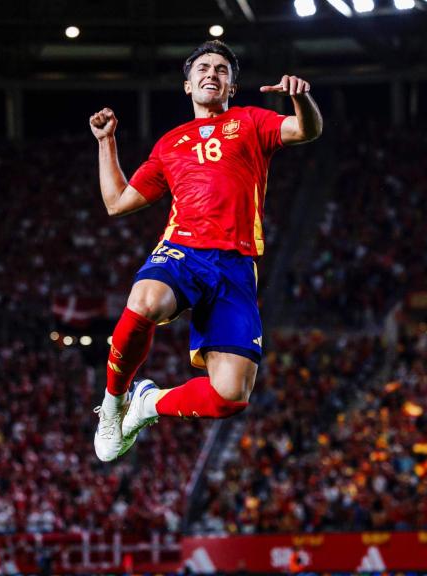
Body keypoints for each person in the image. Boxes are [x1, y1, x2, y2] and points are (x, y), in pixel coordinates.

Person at [88, 40, 322, 461]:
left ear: (232, 86)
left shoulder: (251, 122)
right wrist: (107, 142)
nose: (211, 73)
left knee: (231, 395)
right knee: (145, 302)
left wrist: (301, 100)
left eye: (221, 69)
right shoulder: (170, 143)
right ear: (187, 85)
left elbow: (307, 130)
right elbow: (116, 202)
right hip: (184, 249)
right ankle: (112, 405)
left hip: (235, 265)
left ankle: (147, 404)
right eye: (202, 68)